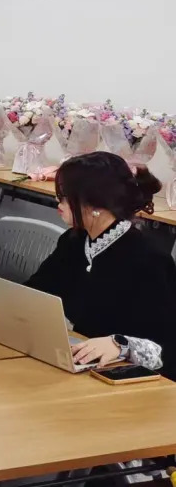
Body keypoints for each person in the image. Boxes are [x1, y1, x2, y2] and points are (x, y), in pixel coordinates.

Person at [25, 152, 176, 378]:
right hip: (80, 362)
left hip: (124, 376)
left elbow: (166, 346)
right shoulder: (74, 241)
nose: (59, 202)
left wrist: (120, 344)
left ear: (96, 202)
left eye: (65, 195)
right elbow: (37, 291)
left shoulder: (150, 259)